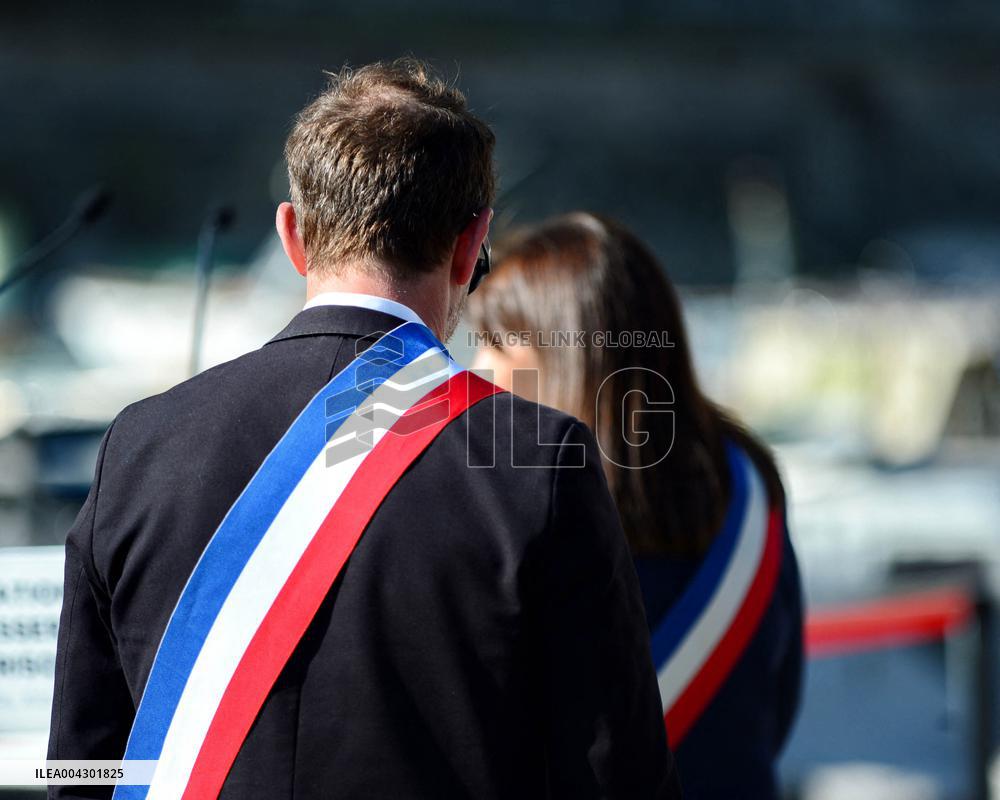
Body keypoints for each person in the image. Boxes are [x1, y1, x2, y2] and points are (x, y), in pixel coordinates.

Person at [47, 64, 680, 799]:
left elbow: (78, 768)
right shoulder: (540, 462)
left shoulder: (139, 445)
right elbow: (614, 781)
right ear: (472, 244)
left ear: (292, 236)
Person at [468, 212, 804, 800]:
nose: (479, 370)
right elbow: (779, 700)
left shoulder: (520, 509)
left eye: (496, 343)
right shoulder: (750, 485)